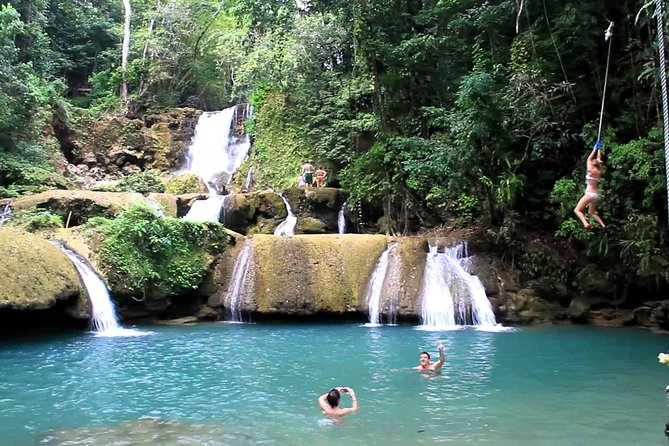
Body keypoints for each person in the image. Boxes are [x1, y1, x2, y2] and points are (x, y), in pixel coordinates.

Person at [573, 142, 606, 231]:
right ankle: (603, 226)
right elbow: (598, 159)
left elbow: (589, 159)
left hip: (589, 194)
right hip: (596, 195)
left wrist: (594, 150)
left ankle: (586, 224)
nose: (594, 160)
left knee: (577, 210)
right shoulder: (599, 171)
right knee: (591, 213)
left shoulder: (590, 170)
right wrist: (599, 149)